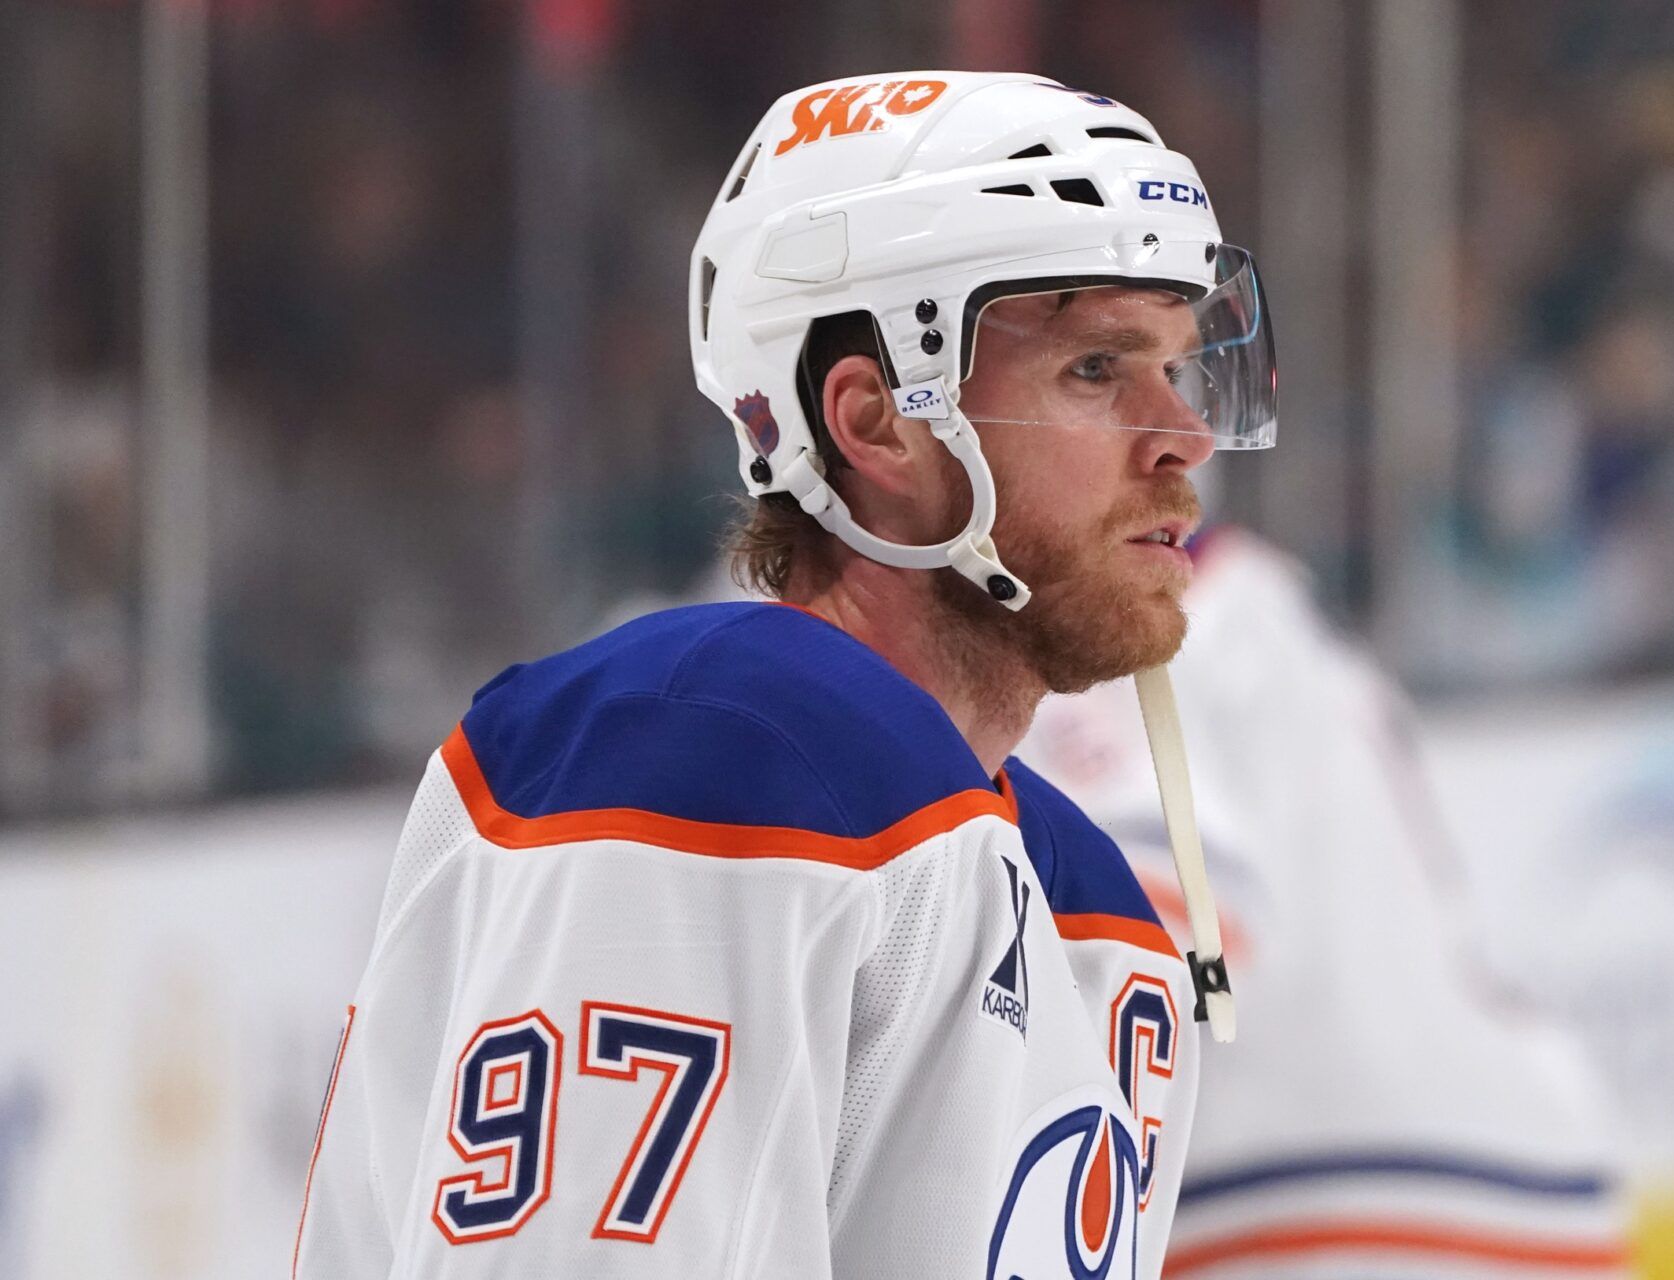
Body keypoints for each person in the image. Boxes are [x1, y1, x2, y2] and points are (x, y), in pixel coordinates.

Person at [291, 72, 1278, 1278]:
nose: (1184, 436)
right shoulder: (711, 750)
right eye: (1096, 368)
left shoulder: (1094, 912)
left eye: (1181, 366)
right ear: (876, 422)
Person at [1021, 527, 1636, 1278]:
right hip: (1531, 1171)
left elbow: (1184, 922)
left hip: (1321, 1193)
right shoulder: (1260, 600)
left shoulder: (1123, 615)